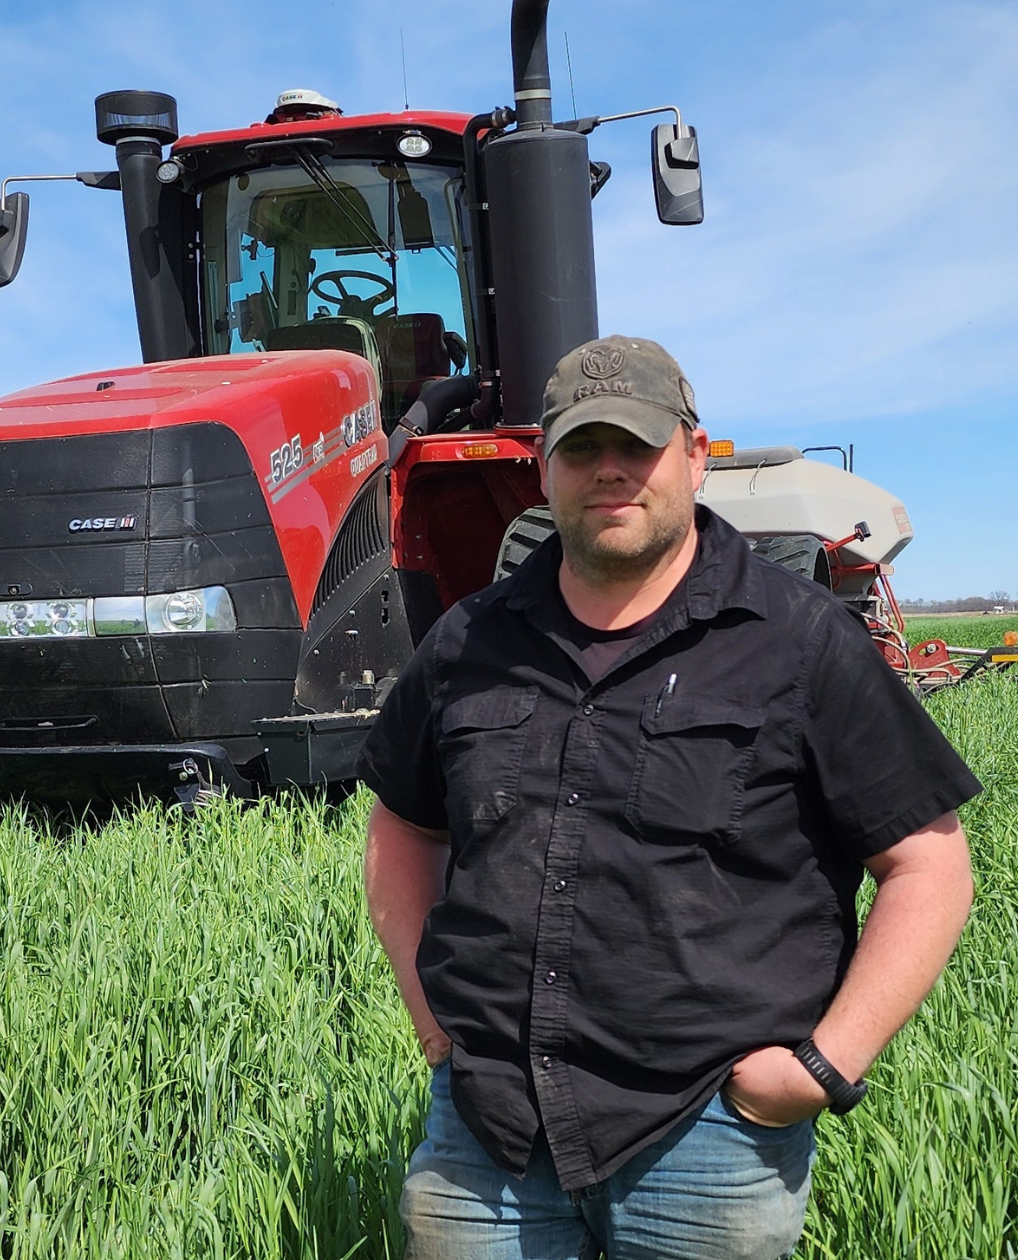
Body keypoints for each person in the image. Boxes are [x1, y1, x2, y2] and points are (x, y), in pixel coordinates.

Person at [358, 335, 981, 1260]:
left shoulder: (798, 641)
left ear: (693, 456)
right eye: (580, 447)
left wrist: (823, 1066)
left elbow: (927, 864)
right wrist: (427, 1013)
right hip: (487, 1129)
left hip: (709, 1132)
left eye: (637, 446)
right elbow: (402, 830)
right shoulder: (468, 642)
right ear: (543, 468)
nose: (609, 471)